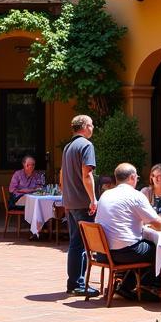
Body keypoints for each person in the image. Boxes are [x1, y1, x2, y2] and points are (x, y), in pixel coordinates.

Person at [94, 163, 161, 295]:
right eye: (136, 177)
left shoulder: (105, 195)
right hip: (124, 253)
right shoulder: (135, 195)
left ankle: (128, 285)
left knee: (142, 245)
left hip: (103, 253)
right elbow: (158, 224)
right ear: (132, 177)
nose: (137, 179)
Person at [61, 114, 100, 298]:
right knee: (81, 245)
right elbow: (87, 174)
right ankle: (77, 283)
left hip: (70, 203)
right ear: (84, 126)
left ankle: (74, 282)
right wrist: (93, 199)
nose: (93, 128)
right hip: (82, 203)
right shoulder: (86, 145)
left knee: (75, 244)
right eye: (91, 125)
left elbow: (62, 176)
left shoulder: (68, 147)